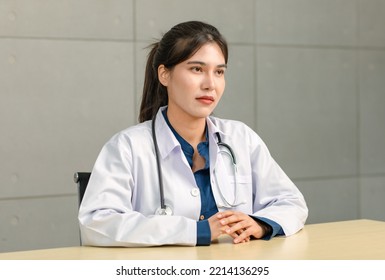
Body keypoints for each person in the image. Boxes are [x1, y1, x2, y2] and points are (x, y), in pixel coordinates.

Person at [78, 21, 308, 247]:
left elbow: (292, 202)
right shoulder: (127, 147)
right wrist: (196, 231)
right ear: (164, 75)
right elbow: (96, 222)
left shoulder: (241, 138)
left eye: (219, 72)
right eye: (197, 69)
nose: (211, 84)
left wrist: (261, 224)